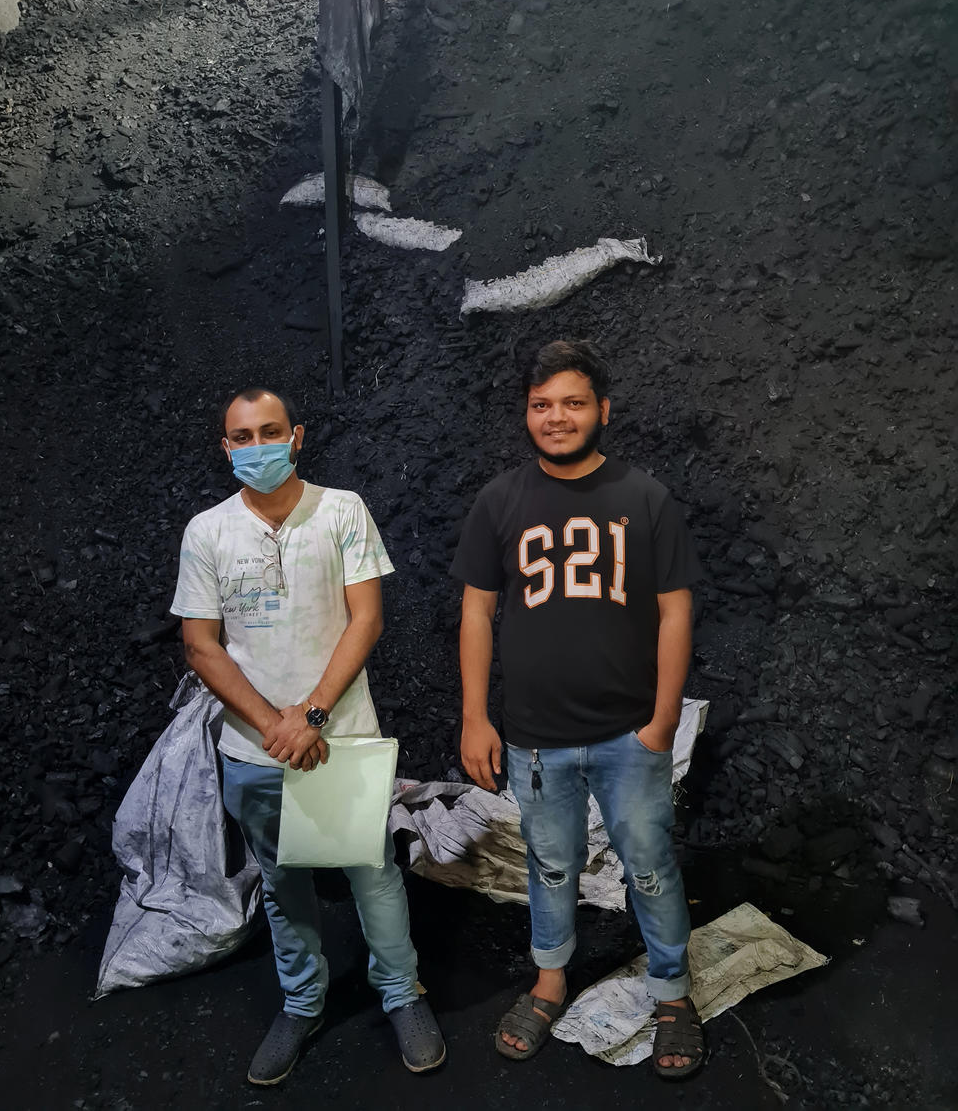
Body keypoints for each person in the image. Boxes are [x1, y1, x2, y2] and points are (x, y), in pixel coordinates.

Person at [170, 387, 445, 1086]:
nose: (256, 444)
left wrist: (312, 714)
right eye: (242, 435)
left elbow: (365, 620)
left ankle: (401, 992)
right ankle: (302, 1000)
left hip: (342, 736)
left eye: (270, 430)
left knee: (371, 868)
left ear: (297, 436)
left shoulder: (342, 510)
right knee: (280, 876)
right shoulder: (207, 531)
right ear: (226, 447)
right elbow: (201, 644)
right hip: (253, 749)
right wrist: (274, 725)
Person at [451, 340, 705, 1079]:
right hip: (534, 738)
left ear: (602, 410)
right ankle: (550, 980)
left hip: (630, 732)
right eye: (541, 404)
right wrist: (476, 715)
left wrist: (661, 720)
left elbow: (675, 613)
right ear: (525, 413)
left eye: (572, 402)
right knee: (551, 864)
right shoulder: (501, 500)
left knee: (649, 863)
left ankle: (671, 991)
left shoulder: (644, 497)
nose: (555, 417)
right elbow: (474, 612)